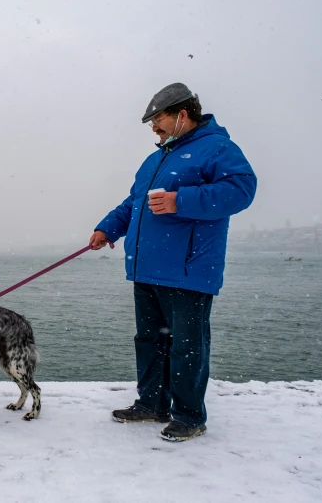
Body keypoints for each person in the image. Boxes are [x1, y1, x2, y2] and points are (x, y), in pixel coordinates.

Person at [89, 83, 257, 441]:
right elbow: (134, 203)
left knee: (186, 345)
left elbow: (242, 190)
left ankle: (189, 416)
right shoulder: (157, 158)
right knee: (149, 340)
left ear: (183, 115)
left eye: (158, 120)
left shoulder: (217, 148)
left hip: (188, 270)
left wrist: (180, 200)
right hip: (146, 268)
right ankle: (151, 404)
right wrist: (107, 229)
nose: (154, 128)